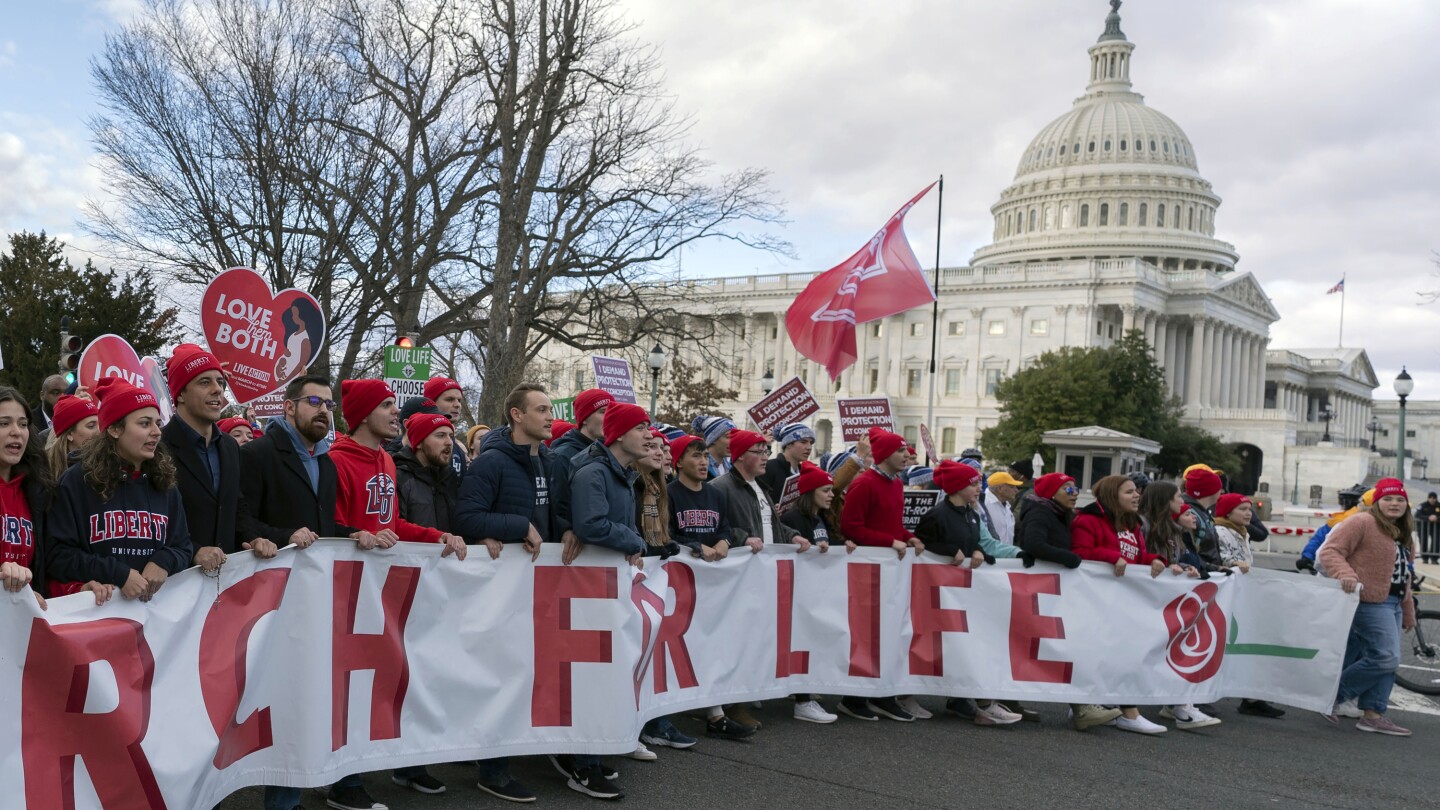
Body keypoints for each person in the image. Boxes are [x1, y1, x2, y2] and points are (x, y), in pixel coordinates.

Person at [328, 380, 465, 807]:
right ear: (364, 413)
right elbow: (331, 526)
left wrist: (435, 533)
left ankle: (384, 766)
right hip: (345, 592)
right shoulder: (335, 461)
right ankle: (343, 782)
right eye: (386, 405)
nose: (394, 412)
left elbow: (394, 524)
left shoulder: (386, 459)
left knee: (386, 678)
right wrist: (358, 535)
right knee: (346, 685)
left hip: (381, 590)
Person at [455, 383, 583, 802]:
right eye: (541, 409)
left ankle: (518, 750)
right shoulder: (491, 462)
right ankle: (492, 769)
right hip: (498, 591)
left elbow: (554, 510)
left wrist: (564, 528)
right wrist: (514, 527)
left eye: (550, 409)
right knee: (501, 675)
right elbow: (468, 517)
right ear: (516, 415)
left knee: (530, 674)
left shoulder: (549, 460)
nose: (550, 416)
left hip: (535, 589)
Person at [564, 401, 655, 800]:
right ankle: (581, 768)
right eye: (642, 429)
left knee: (606, 673)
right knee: (590, 677)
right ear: (619, 434)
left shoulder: (621, 473)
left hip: (605, 585)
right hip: (587, 588)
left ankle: (593, 757)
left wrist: (631, 540)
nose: (649, 436)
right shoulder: (594, 471)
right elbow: (591, 524)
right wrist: (635, 542)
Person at [47, 379, 193, 605]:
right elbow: (57, 555)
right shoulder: (77, 481)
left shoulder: (165, 484)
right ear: (114, 429)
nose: (157, 432)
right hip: (99, 620)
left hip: (157, 626)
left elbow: (183, 546)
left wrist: (165, 560)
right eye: (145, 424)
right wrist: (117, 573)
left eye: (157, 423)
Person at [1071, 474, 1192, 735]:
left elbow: (1136, 556)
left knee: (1122, 655)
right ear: (1112, 496)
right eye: (1128, 493)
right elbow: (1080, 552)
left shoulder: (1132, 523)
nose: (1137, 496)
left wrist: (1156, 559)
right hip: (1098, 600)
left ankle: (1101, 705)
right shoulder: (1087, 520)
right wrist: (1111, 556)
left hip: (1123, 602)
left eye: (1135, 492)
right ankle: (1128, 713)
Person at [708, 428, 811, 728]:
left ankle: (742, 695)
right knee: (735, 640)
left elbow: (771, 526)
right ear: (739, 456)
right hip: (739, 577)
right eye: (758, 451)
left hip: (761, 576)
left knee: (752, 638)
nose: (766, 456)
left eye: (767, 451)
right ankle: (730, 704)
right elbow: (719, 529)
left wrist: (792, 536)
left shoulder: (761, 488)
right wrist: (742, 537)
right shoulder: (721, 487)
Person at [915, 460, 1023, 726]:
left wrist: (978, 551)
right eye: (973, 483)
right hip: (938, 596)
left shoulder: (973, 513)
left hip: (963, 595)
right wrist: (949, 550)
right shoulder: (937, 515)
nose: (979, 487)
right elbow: (922, 543)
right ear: (957, 487)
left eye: (978, 483)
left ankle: (981, 703)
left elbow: (978, 543)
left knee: (970, 648)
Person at [664, 434, 756, 741]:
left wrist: (724, 542)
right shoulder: (670, 494)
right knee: (677, 647)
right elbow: (666, 534)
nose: (704, 461)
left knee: (712, 642)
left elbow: (725, 528)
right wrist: (695, 546)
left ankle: (716, 715)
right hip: (678, 583)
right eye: (695, 456)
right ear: (678, 462)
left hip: (711, 584)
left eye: (705, 455)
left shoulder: (715, 495)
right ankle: (663, 714)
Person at [1016, 471, 1123, 731]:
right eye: (1069, 489)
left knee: (1059, 647)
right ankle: (1081, 709)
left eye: (1076, 489)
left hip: (1052, 591)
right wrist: (1070, 559)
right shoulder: (1040, 512)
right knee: (1048, 647)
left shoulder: (1060, 513)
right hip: (1039, 591)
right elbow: (1033, 543)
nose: (1075, 495)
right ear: (1052, 492)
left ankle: (1082, 708)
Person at [160, 345, 274, 579]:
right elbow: (151, 520)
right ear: (180, 394)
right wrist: (193, 551)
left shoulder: (229, 446)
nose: (217, 391)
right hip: (174, 584)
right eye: (204, 382)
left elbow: (236, 503)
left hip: (224, 581)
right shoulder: (158, 447)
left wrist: (253, 537)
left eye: (220, 383)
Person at [1319, 478, 1417, 736]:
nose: (1394, 504)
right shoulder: (1362, 522)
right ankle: (1332, 696)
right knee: (1386, 657)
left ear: (1406, 505)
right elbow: (1329, 551)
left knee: (1388, 660)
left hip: (1394, 602)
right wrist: (1346, 574)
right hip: (1369, 601)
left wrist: (1408, 611)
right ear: (1377, 502)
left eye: (1400, 500)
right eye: (1388, 499)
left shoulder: (1404, 532)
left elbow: (1404, 574)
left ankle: (1373, 715)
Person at [838, 427, 920, 722]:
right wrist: (891, 541)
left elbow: (891, 525)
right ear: (885, 454)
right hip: (868, 572)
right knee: (867, 633)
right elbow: (852, 528)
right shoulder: (864, 484)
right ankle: (855, 697)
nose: (907, 455)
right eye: (900, 451)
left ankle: (881, 693)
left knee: (889, 633)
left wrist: (908, 536)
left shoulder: (895, 484)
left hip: (890, 571)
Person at [628, 429, 694, 758]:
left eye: (663, 449)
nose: (661, 454)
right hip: (634, 574)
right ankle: (633, 727)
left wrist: (663, 544)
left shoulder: (657, 485)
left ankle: (653, 722)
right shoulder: (634, 484)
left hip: (652, 572)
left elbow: (658, 526)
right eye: (652, 447)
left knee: (653, 657)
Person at [776, 461, 841, 725]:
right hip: (797, 592)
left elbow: (826, 542)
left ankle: (804, 691)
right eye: (826, 489)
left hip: (815, 592)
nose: (831, 495)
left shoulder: (819, 517)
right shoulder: (793, 518)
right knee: (799, 641)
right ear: (811, 491)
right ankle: (802, 701)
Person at [0, 387, 53, 609]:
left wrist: (79, 589)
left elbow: (45, 568)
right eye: (4, 423)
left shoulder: (37, 491)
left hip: (19, 627)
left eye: (23, 424)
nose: (17, 432)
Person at [550, 388, 614, 467]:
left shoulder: (611, 453)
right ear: (584, 419)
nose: (610, 417)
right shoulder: (563, 456)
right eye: (603, 412)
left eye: (612, 411)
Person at [423, 376, 471, 476]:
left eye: (459, 400)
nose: (457, 405)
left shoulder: (458, 448)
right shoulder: (417, 443)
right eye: (449, 399)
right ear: (431, 402)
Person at [43, 394, 98, 479]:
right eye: (91, 426)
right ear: (69, 434)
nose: (99, 431)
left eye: (100, 425)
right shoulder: (44, 475)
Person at [758, 422, 814, 502]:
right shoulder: (769, 468)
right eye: (803, 442)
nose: (809, 447)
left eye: (811, 443)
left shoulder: (804, 473)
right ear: (788, 444)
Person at [983, 470, 1023, 545]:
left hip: (1005, 554)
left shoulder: (1006, 504)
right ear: (1000, 488)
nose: (1016, 490)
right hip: (991, 555)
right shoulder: (984, 503)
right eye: (1012, 487)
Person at [692, 414, 736, 479]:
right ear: (714, 439)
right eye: (728, 437)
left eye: (734, 437)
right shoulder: (699, 467)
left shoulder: (731, 467)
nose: (733, 442)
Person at [1416, 491, 1439, 565]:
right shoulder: (1422, 505)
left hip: (1436, 527)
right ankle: (1425, 558)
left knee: (1436, 542)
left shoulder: (1439, 506)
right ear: (1428, 498)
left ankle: (1434, 559)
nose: (1432, 499)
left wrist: (1437, 518)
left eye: (1434, 498)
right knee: (1423, 541)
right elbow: (1417, 515)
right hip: (1423, 527)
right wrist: (1428, 518)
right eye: (1430, 498)